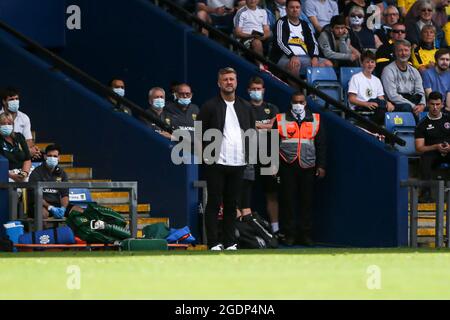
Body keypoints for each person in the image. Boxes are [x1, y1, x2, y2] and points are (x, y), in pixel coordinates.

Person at [197, 67, 255, 251]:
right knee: (214, 203)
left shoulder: (246, 106)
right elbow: (199, 134)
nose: (229, 82)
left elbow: (250, 133)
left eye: (232, 79)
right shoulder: (209, 106)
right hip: (216, 163)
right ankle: (214, 242)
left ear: (236, 82)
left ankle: (230, 242)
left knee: (232, 205)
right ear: (219, 83)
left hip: (238, 163)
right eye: (225, 79)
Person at [274, 91, 326, 246]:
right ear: (291, 103)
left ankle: (305, 235)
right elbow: (272, 144)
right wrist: (273, 166)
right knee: (288, 202)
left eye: (301, 102)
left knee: (307, 202)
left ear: (305, 103)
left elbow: (321, 144)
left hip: (308, 166)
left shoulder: (315, 119)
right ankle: (289, 235)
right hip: (287, 165)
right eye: (295, 102)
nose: (298, 105)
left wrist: (321, 165)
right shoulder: (281, 119)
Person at [246, 76, 280, 234]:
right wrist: (265, 125)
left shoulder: (272, 108)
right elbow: (246, 127)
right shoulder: (244, 108)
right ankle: (247, 229)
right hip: (248, 156)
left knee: (271, 194)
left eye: (258, 89)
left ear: (263, 90)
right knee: (245, 194)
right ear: (248, 91)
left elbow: (275, 126)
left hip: (268, 156)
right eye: (253, 89)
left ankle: (275, 229)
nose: (256, 92)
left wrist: (257, 125)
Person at [270, 0, 332, 79]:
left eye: (297, 7)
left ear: (300, 9)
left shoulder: (305, 24)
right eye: (292, 7)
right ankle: (297, 91)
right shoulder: (281, 22)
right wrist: (291, 56)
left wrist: (315, 57)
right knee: (295, 64)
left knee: (327, 63)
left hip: (305, 57)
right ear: (286, 9)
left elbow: (313, 43)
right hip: (284, 57)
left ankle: (317, 90)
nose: (295, 9)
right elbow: (280, 42)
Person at [415, 91, 450, 202]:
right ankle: (425, 194)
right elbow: (419, 148)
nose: (435, 107)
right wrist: (435, 146)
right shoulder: (422, 124)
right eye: (432, 104)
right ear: (428, 104)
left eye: (438, 104)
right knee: (425, 158)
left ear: (442, 104)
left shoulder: (448, 119)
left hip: (448, 150)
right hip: (432, 152)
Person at [381, 39, 426, 117]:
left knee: (431, 109)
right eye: (400, 50)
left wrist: (422, 105)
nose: (403, 53)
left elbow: (420, 91)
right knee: (407, 107)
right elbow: (392, 95)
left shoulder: (414, 71)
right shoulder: (388, 70)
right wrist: (413, 106)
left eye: (406, 50)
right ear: (395, 52)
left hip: (413, 101)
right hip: (397, 103)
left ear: (410, 52)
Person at [348, 50, 394, 125]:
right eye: (367, 62)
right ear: (362, 64)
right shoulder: (355, 78)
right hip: (361, 107)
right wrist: (366, 104)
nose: (370, 64)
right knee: (380, 107)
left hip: (376, 107)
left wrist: (388, 103)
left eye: (372, 62)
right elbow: (351, 99)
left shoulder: (377, 80)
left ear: (375, 64)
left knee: (389, 107)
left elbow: (381, 98)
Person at [28, 144, 69, 222]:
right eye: (50, 156)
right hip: (39, 205)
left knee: (78, 211)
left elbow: (65, 195)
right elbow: (36, 196)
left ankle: (70, 234)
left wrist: (63, 208)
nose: (52, 158)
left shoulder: (62, 173)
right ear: (45, 156)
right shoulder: (36, 172)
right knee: (43, 214)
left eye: (55, 156)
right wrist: (50, 207)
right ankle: (46, 234)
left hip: (56, 205)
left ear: (59, 158)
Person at [0, 87, 41, 161]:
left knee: (39, 155)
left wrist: (30, 150)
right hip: (3, 153)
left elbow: (28, 141)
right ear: (4, 101)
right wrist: (26, 151)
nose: (15, 101)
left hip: (20, 154)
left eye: (16, 99)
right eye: (11, 99)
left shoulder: (24, 118)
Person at [0, 113, 31, 183]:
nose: (6, 126)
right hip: (5, 174)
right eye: (3, 124)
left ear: (13, 125)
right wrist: (11, 176)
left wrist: (24, 173)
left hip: (22, 172)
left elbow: (27, 159)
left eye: (9, 123)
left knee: (33, 182)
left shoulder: (19, 137)